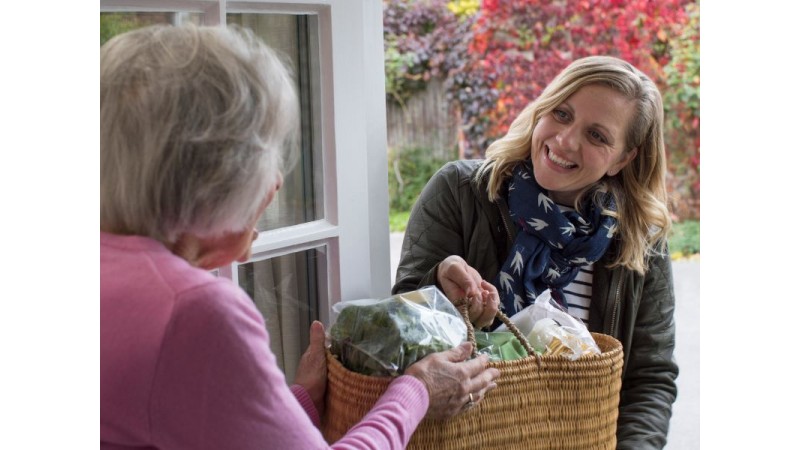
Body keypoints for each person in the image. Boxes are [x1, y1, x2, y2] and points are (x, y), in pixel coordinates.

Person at [100, 24, 500, 450]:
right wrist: (417, 390)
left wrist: (299, 401)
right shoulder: (194, 311)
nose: (275, 182)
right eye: (269, 152)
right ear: (219, 174)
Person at [393, 55, 678, 450]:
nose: (565, 140)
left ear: (623, 158)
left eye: (597, 136)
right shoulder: (460, 192)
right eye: (561, 114)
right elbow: (399, 331)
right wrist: (438, 286)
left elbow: (649, 379)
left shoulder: (641, 239)